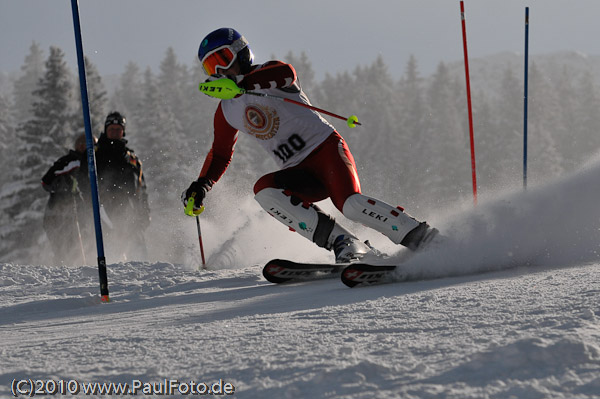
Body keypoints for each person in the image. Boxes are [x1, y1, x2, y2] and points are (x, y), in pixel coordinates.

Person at [183, 28, 439, 263]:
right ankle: (346, 243)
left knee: (350, 204)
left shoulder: (268, 74)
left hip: (326, 150)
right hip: (299, 171)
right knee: (264, 190)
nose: (220, 72)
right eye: (211, 67)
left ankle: (421, 236)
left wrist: (243, 85)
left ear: (242, 53)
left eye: (223, 60)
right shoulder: (227, 110)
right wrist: (202, 185)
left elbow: (286, 73)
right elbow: (220, 154)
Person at [95, 111, 150, 259]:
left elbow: (141, 187)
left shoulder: (130, 157)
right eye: (111, 129)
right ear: (106, 130)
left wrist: (144, 210)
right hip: (103, 207)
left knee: (137, 246)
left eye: (118, 130)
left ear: (123, 132)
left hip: (128, 207)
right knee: (112, 247)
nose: (114, 133)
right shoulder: (96, 154)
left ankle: (142, 273)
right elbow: (84, 179)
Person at [42, 133, 94, 265]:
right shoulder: (72, 162)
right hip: (59, 213)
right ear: (78, 146)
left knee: (80, 246)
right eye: (83, 145)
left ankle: (78, 273)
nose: (87, 149)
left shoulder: (91, 164)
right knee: (63, 249)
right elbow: (46, 182)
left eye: (91, 146)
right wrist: (64, 187)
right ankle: (63, 275)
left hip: (79, 214)